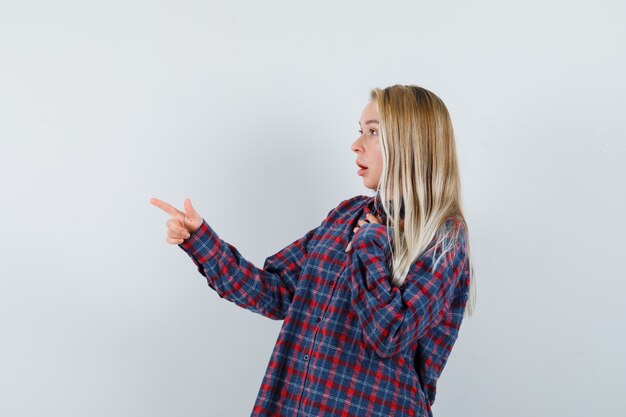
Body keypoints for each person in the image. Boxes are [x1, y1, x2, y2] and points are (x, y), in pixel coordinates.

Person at [150, 84, 475, 417]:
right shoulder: (346, 216)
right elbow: (274, 293)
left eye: (373, 132)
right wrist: (200, 240)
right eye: (360, 131)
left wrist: (370, 243)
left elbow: (389, 334)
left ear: (412, 144)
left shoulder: (443, 237)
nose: (355, 145)